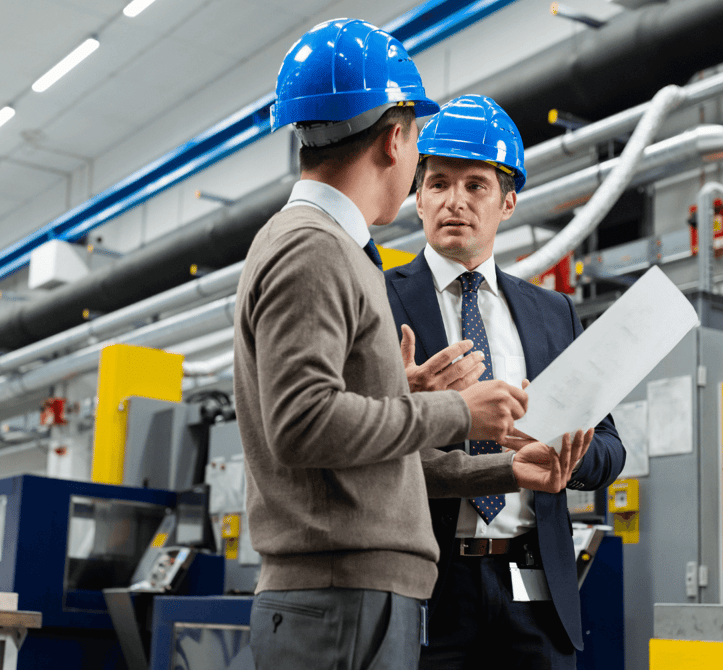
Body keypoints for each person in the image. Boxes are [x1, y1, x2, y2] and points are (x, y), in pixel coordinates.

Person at [234, 21, 572, 670]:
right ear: (395, 140)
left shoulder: (329, 247)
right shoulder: (313, 248)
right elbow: (302, 424)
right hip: (342, 591)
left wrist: (502, 467)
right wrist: (457, 412)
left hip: (362, 589)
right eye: (422, 149)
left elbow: (367, 452)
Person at [384, 95, 627, 669]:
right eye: (438, 184)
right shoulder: (377, 299)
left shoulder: (554, 313)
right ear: (418, 198)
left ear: (508, 202)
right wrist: (415, 406)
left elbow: (611, 447)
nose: (455, 201)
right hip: (427, 588)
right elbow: (359, 443)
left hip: (534, 586)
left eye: (476, 186)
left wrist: (566, 453)